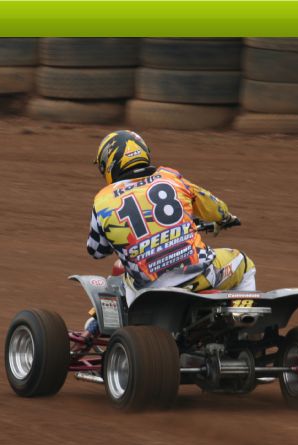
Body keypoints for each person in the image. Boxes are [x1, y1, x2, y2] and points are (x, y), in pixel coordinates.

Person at [86, 131, 256, 322]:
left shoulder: (103, 200)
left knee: (119, 276)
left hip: (148, 292)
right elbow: (216, 208)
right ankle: (243, 317)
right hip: (198, 276)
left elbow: (96, 251)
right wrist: (225, 218)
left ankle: (97, 325)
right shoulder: (170, 177)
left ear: (109, 164)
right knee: (243, 262)